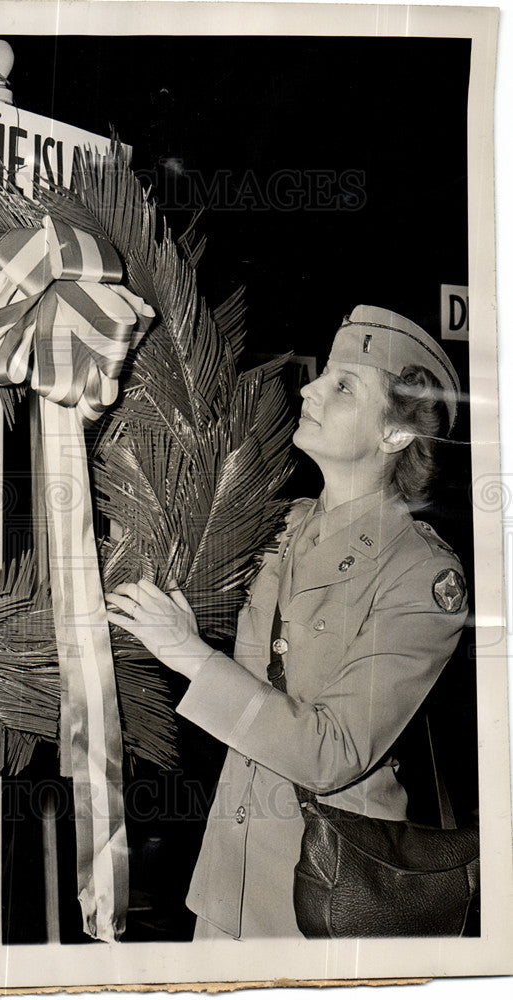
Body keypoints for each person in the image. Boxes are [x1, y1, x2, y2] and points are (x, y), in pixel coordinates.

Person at [106, 304, 468, 939]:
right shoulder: (278, 528)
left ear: (395, 434)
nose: (309, 389)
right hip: (226, 884)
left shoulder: (420, 576)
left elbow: (332, 753)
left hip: (328, 896)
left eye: (343, 386)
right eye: (321, 376)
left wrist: (190, 653)